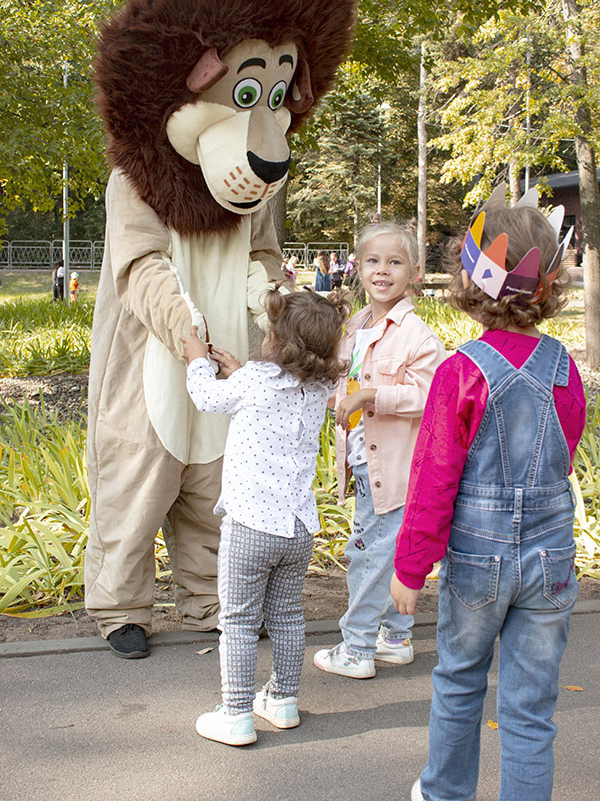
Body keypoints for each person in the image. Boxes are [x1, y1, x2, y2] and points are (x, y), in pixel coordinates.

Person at [391, 192, 586, 801]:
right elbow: (564, 452)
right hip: (551, 558)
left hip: (479, 557)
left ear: (470, 281)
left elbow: (433, 480)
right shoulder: (565, 369)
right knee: (531, 707)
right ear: (548, 286)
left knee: (459, 682)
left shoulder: (461, 372)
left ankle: (445, 793)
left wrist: (410, 567)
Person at [182, 288, 350, 746]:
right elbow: (278, 393)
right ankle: (282, 700)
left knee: (238, 620)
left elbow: (206, 397)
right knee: (287, 617)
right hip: (298, 529)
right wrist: (242, 371)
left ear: (277, 341)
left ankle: (236, 712)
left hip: (251, 526)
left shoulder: (254, 381)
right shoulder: (319, 388)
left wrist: (196, 358)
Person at [314, 222, 445, 678]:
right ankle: (395, 636)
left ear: (414, 272)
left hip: (394, 468)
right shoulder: (354, 328)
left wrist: (371, 397)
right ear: (358, 267)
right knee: (388, 551)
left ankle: (356, 647)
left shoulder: (417, 336)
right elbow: (339, 384)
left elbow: (430, 396)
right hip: (363, 462)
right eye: (373, 261)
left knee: (369, 555)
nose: (382, 270)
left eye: (395, 262)